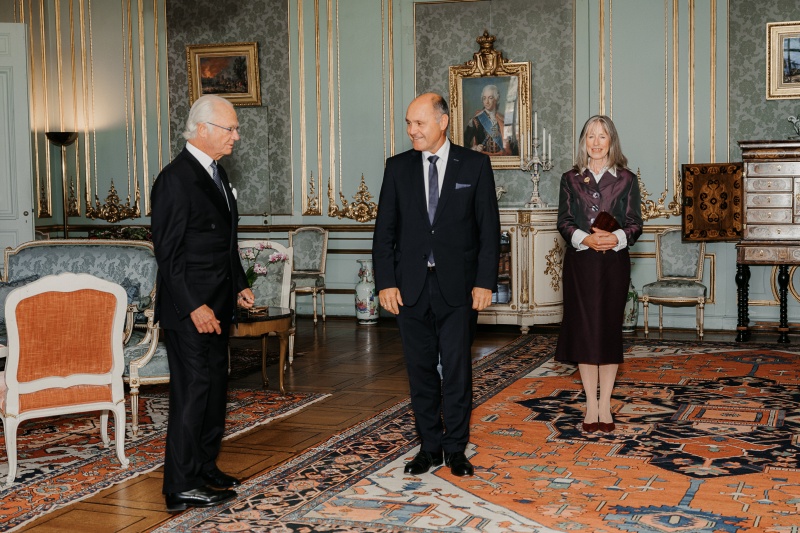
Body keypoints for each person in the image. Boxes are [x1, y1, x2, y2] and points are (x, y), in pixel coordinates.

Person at [373, 92, 500, 477]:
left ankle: (456, 449)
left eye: (419, 123)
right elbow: (384, 232)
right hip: (410, 288)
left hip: (458, 288)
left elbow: (489, 230)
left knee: (458, 370)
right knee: (421, 371)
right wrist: (386, 283)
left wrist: (484, 282)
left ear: (442, 122)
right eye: (408, 124)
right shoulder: (397, 168)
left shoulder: (474, 165)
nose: (412, 130)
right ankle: (429, 447)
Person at [151, 94, 255, 512]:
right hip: (190, 311)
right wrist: (195, 305)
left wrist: (239, 284)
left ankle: (205, 468)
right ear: (203, 129)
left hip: (217, 306)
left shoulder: (215, 172)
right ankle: (180, 485)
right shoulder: (176, 179)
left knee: (214, 392)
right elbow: (168, 253)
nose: (236, 136)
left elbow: (224, 241)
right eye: (230, 128)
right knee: (193, 394)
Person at [554, 115, 643, 434]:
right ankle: (590, 405)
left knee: (606, 332)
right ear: (583, 142)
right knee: (585, 332)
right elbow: (563, 221)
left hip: (612, 266)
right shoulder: (570, 178)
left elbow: (635, 223)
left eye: (602, 136)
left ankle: (605, 404)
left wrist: (615, 238)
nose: (595, 141)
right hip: (581, 264)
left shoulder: (626, 179)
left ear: (611, 141)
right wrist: (584, 238)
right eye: (590, 136)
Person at [463, 84, 515, 156]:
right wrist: (475, 148)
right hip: (482, 160)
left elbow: (511, 146)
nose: (486, 102)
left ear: (496, 99)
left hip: (501, 161)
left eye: (490, 98)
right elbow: (463, 143)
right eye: (484, 98)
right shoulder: (475, 120)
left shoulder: (503, 120)